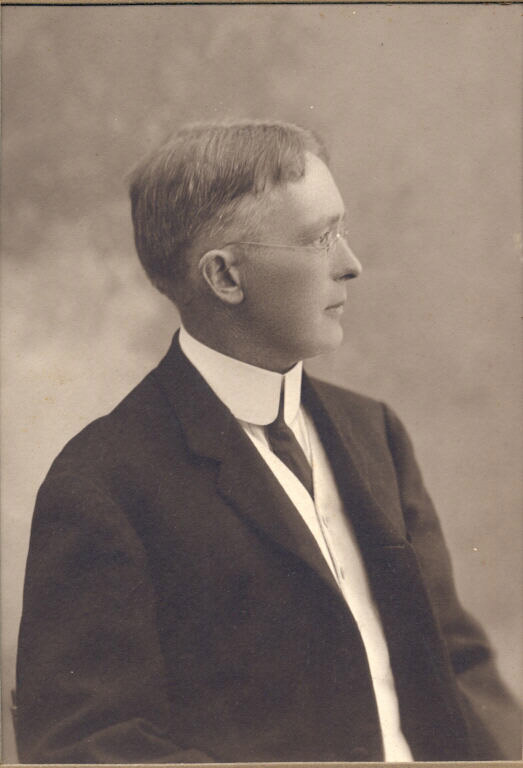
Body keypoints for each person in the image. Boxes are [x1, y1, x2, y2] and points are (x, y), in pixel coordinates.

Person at [16, 119, 519, 763]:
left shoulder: (374, 434)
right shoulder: (102, 482)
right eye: (319, 238)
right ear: (224, 277)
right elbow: (84, 746)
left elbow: (458, 665)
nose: (351, 264)